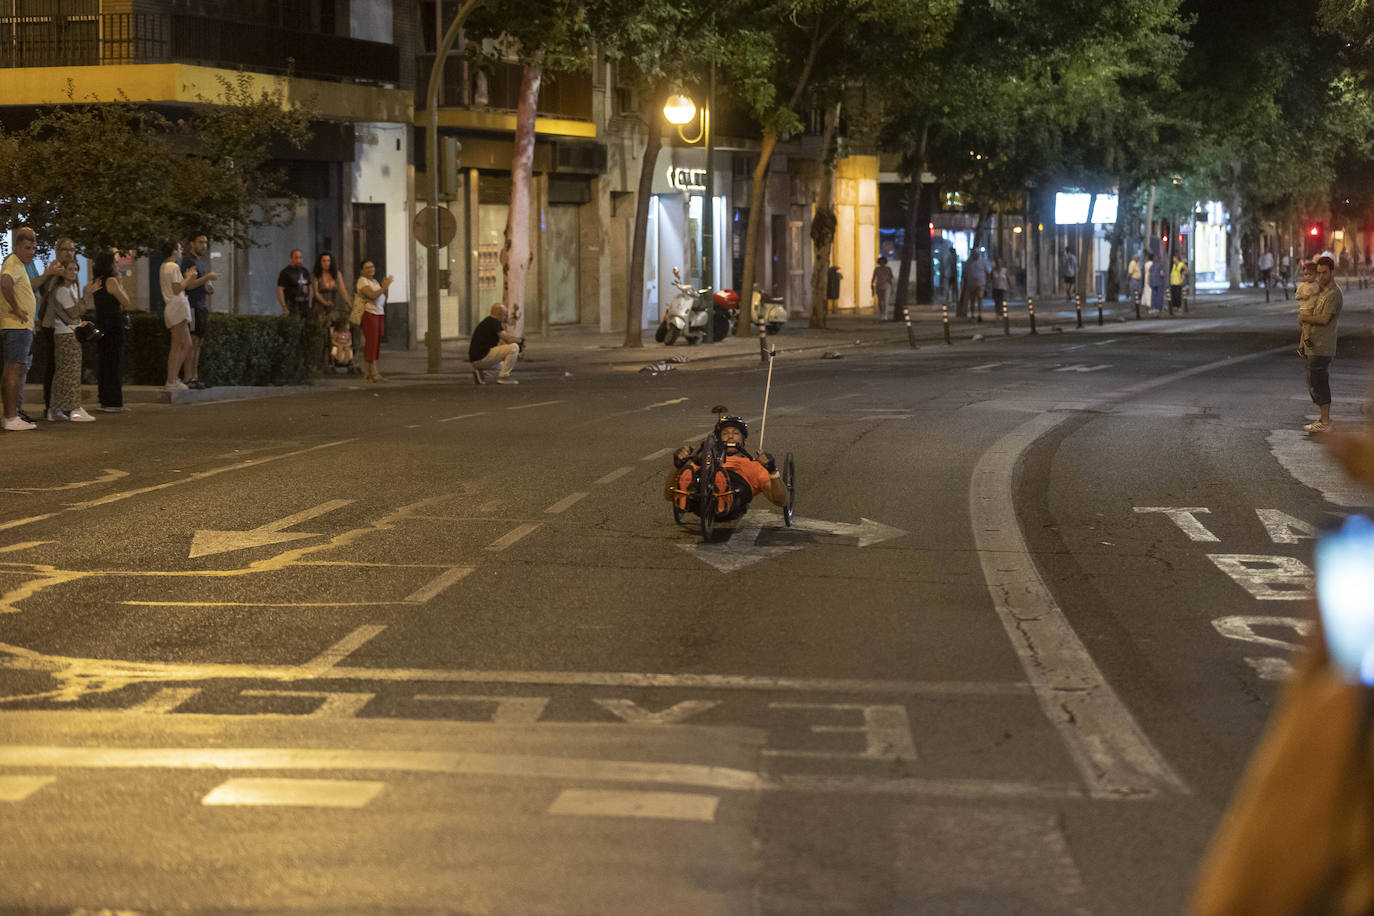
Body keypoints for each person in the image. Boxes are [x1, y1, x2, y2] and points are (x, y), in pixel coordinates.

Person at [665, 415, 788, 523]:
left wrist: (772, 470)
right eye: (725, 433)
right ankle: (687, 496)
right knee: (692, 474)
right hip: (701, 500)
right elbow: (668, 495)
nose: (730, 436)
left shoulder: (754, 466)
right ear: (719, 439)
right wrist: (677, 466)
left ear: (743, 440)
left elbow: (781, 501)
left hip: (734, 501)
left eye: (735, 433)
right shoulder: (703, 462)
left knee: (733, 486)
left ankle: (722, 491)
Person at [1, 227, 48, 430]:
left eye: (34, 248)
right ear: (16, 246)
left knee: (15, 369)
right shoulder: (12, 262)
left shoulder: (19, 264)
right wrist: (17, 308)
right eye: (27, 247)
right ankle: (11, 417)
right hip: (16, 327)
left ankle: (12, 416)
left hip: (20, 327)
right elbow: (4, 282)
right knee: (14, 369)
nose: (32, 252)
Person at [42, 260, 94, 422]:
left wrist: (82, 301)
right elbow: (74, 313)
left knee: (64, 373)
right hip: (66, 335)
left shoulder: (71, 288)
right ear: (62, 271)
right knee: (70, 374)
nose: (74, 272)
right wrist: (85, 296)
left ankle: (55, 409)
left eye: (76, 269)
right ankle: (73, 409)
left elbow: (80, 311)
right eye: (70, 269)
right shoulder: (62, 290)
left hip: (68, 333)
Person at [1297, 255, 1342, 435]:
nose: (1321, 276)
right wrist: (1302, 341)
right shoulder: (1318, 291)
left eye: (1325, 273)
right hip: (1312, 344)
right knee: (1313, 380)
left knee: (1319, 381)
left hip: (1323, 345)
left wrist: (1304, 318)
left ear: (1332, 272)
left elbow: (1324, 319)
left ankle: (1325, 421)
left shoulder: (1334, 294)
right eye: (1319, 273)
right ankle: (1324, 419)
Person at [36, 238, 78, 419]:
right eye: (65, 249)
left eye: (72, 249)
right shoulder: (52, 270)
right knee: (54, 367)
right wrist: (53, 274)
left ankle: (64, 405)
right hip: (51, 325)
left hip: (67, 326)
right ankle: (50, 407)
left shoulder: (72, 271)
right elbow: (45, 293)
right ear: (57, 251)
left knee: (66, 367)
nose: (69, 252)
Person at [87, 250, 130, 413]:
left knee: (105, 362)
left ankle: (105, 398)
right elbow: (126, 300)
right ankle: (113, 401)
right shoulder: (111, 281)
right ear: (109, 265)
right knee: (114, 361)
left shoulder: (97, 281)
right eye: (115, 262)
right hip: (113, 325)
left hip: (102, 324)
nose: (117, 265)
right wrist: (120, 282)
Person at [180, 234, 217, 390]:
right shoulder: (188, 261)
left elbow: (199, 283)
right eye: (200, 242)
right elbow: (189, 285)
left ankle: (195, 376)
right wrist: (207, 277)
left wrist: (207, 287)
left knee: (198, 343)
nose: (204, 245)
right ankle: (188, 377)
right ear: (192, 243)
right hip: (193, 305)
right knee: (192, 342)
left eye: (205, 242)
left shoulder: (200, 261)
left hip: (201, 305)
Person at [159, 240, 194, 391]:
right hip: (176, 307)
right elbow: (177, 288)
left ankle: (173, 378)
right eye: (179, 248)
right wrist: (190, 278)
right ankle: (171, 379)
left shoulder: (165, 266)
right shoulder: (172, 266)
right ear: (173, 251)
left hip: (175, 308)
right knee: (179, 344)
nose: (181, 251)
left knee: (185, 344)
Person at [352, 259, 392, 382]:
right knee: (371, 342)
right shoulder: (362, 281)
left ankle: (369, 372)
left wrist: (386, 287)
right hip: (369, 313)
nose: (371, 269)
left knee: (376, 342)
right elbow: (372, 295)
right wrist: (383, 287)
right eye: (367, 267)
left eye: (372, 266)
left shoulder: (374, 281)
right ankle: (373, 371)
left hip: (379, 313)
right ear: (362, 270)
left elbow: (384, 296)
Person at [468, 303, 522, 385]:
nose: (505, 318)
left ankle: (480, 373)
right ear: (499, 314)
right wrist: (520, 341)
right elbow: (507, 339)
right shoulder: (495, 322)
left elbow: (500, 344)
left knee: (503, 366)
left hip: (476, 359)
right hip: (483, 356)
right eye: (505, 315)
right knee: (514, 347)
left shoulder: (487, 321)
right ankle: (504, 377)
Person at [275, 249, 312, 319]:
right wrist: (284, 306)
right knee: (294, 324)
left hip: (304, 304)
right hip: (292, 304)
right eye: (296, 257)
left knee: (306, 325)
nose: (298, 260)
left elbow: (310, 288)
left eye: (300, 257)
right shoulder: (285, 272)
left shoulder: (305, 271)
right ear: (291, 258)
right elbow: (280, 290)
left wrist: (310, 304)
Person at [312, 251, 346, 323]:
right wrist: (325, 303)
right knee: (322, 327)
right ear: (320, 262)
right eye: (324, 261)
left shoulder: (336, 274)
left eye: (328, 261)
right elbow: (316, 293)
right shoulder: (317, 275)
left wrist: (349, 304)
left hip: (334, 305)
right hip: (320, 306)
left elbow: (343, 290)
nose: (326, 263)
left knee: (336, 326)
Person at [961, 250, 988, 321]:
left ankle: (979, 314)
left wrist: (987, 282)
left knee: (979, 298)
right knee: (972, 300)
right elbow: (964, 273)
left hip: (980, 283)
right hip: (971, 284)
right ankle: (972, 314)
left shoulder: (983, 261)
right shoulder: (968, 262)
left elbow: (987, 271)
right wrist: (964, 282)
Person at [870, 256, 894, 320]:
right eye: (880, 262)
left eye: (883, 262)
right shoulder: (876, 269)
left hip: (887, 286)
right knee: (880, 301)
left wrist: (892, 287)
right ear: (879, 262)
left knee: (886, 301)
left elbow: (890, 278)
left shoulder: (888, 269)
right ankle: (881, 314)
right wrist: (872, 286)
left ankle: (885, 315)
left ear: (885, 262)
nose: (882, 263)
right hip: (879, 286)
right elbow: (873, 278)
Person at [1148, 252, 1167, 317]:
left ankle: (1154, 307)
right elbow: (1161, 274)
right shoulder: (1160, 266)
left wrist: (1149, 282)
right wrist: (1164, 278)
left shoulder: (1152, 266)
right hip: (1159, 282)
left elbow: (1149, 274)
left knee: (1153, 295)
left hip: (1153, 282)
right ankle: (1159, 308)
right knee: (1159, 296)